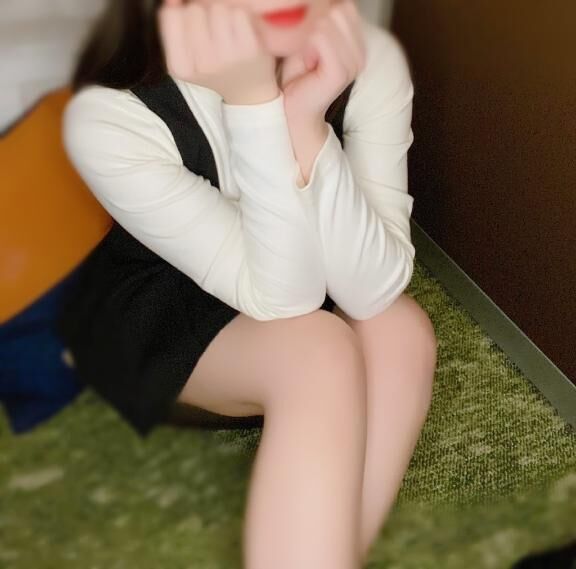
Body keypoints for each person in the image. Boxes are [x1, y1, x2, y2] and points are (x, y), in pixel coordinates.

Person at [56, 0, 438, 567]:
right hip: (159, 310)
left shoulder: (369, 57)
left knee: (400, 330)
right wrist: (254, 102)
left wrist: (305, 124)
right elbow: (286, 300)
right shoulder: (109, 111)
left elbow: (375, 288)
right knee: (318, 351)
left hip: (298, 283)